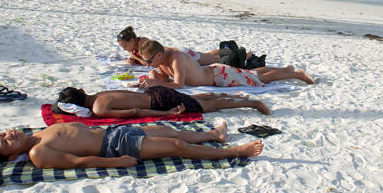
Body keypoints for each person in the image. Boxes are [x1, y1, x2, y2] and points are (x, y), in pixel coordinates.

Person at [0, 121, 263, 169]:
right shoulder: (37, 152)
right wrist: (115, 162)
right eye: (5, 142)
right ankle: (235, 152)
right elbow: (77, 162)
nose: (8, 134)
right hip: (114, 147)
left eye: (4, 133)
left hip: (112, 132)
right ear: (12, 155)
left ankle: (214, 134)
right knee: (177, 144)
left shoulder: (37, 134)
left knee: (167, 130)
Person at [138, 39, 314, 89]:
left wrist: (157, 81)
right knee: (253, 73)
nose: (146, 63)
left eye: (148, 60)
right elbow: (163, 78)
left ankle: (296, 74)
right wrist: (153, 77)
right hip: (215, 73)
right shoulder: (160, 61)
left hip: (220, 76)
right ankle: (286, 70)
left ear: (159, 54)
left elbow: (179, 84)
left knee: (260, 79)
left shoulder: (176, 59)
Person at [57, 86, 271, 116]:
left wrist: (167, 114)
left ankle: (252, 103)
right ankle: (235, 96)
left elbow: (135, 112)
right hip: (154, 92)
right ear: (82, 90)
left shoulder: (98, 109)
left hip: (157, 103)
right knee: (192, 99)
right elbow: (124, 92)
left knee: (206, 108)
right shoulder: (100, 94)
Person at [117, 26, 224, 66]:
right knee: (207, 56)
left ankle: (231, 54)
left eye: (125, 46)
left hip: (181, 54)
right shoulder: (135, 47)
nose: (124, 49)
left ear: (132, 41)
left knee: (214, 60)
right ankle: (225, 50)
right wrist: (133, 58)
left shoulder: (143, 43)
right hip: (178, 53)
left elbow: (147, 63)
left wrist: (134, 57)